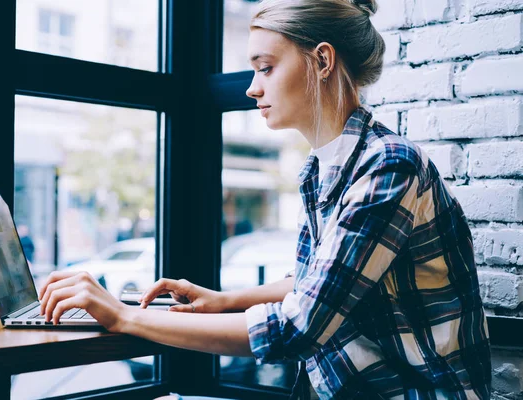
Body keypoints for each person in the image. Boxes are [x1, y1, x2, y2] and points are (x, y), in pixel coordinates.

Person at [38, 0, 492, 398]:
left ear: (322, 61)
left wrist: (122, 316)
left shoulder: (390, 165)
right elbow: (316, 280)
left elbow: (300, 327)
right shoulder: (322, 169)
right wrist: (223, 299)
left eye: (266, 67)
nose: (252, 88)